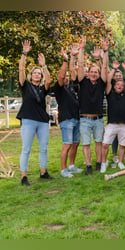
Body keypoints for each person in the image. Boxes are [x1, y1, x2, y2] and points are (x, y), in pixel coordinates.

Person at [17, 40, 52, 186]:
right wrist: (24, 54)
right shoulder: (25, 86)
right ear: (31, 75)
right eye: (35, 73)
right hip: (28, 120)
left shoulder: (43, 88)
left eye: (39, 73)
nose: (37, 75)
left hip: (42, 121)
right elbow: (20, 70)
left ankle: (43, 172)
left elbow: (49, 79)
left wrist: (44, 66)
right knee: (26, 149)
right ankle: (24, 176)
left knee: (43, 148)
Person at [77, 35, 108, 175]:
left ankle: (99, 163)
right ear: (88, 73)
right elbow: (80, 65)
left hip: (98, 119)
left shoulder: (101, 84)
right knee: (86, 143)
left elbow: (105, 66)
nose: (94, 74)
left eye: (96, 72)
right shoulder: (83, 82)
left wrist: (104, 53)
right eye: (92, 72)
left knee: (99, 143)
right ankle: (88, 166)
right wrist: (81, 50)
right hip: (84, 119)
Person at [54, 48, 82, 178]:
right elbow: (62, 74)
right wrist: (65, 60)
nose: (66, 78)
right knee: (67, 144)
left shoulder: (71, 88)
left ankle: (71, 165)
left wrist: (73, 56)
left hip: (77, 119)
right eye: (64, 76)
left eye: (67, 77)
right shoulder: (59, 88)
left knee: (75, 144)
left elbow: (73, 71)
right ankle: (63, 169)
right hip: (66, 120)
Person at [100, 61, 125, 173]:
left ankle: (120, 162)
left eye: (122, 85)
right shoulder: (110, 93)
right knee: (105, 144)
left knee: (123, 145)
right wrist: (113, 69)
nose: (120, 86)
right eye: (118, 85)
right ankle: (103, 163)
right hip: (112, 124)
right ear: (114, 86)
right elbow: (108, 81)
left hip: (124, 124)